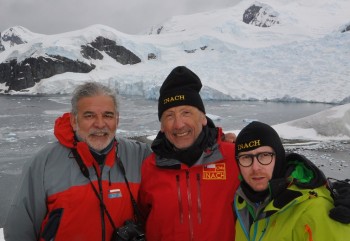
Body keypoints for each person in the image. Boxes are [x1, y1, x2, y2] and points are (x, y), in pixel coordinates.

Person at [4, 82, 151, 241]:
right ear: (74, 121)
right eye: (89, 116)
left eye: (108, 115)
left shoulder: (139, 156)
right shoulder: (44, 163)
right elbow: (19, 231)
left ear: (117, 119)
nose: (100, 124)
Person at [138, 66, 241, 241]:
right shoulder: (149, 167)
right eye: (169, 116)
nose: (178, 125)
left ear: (203, 118)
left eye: (186, 113)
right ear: (162, 126)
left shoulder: (233, 157)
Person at [233, 121, 350, 241]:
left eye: (264, 155)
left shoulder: (314, 210)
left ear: (278, 158)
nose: (255, 167)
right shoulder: (243, 203)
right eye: (246, 157)